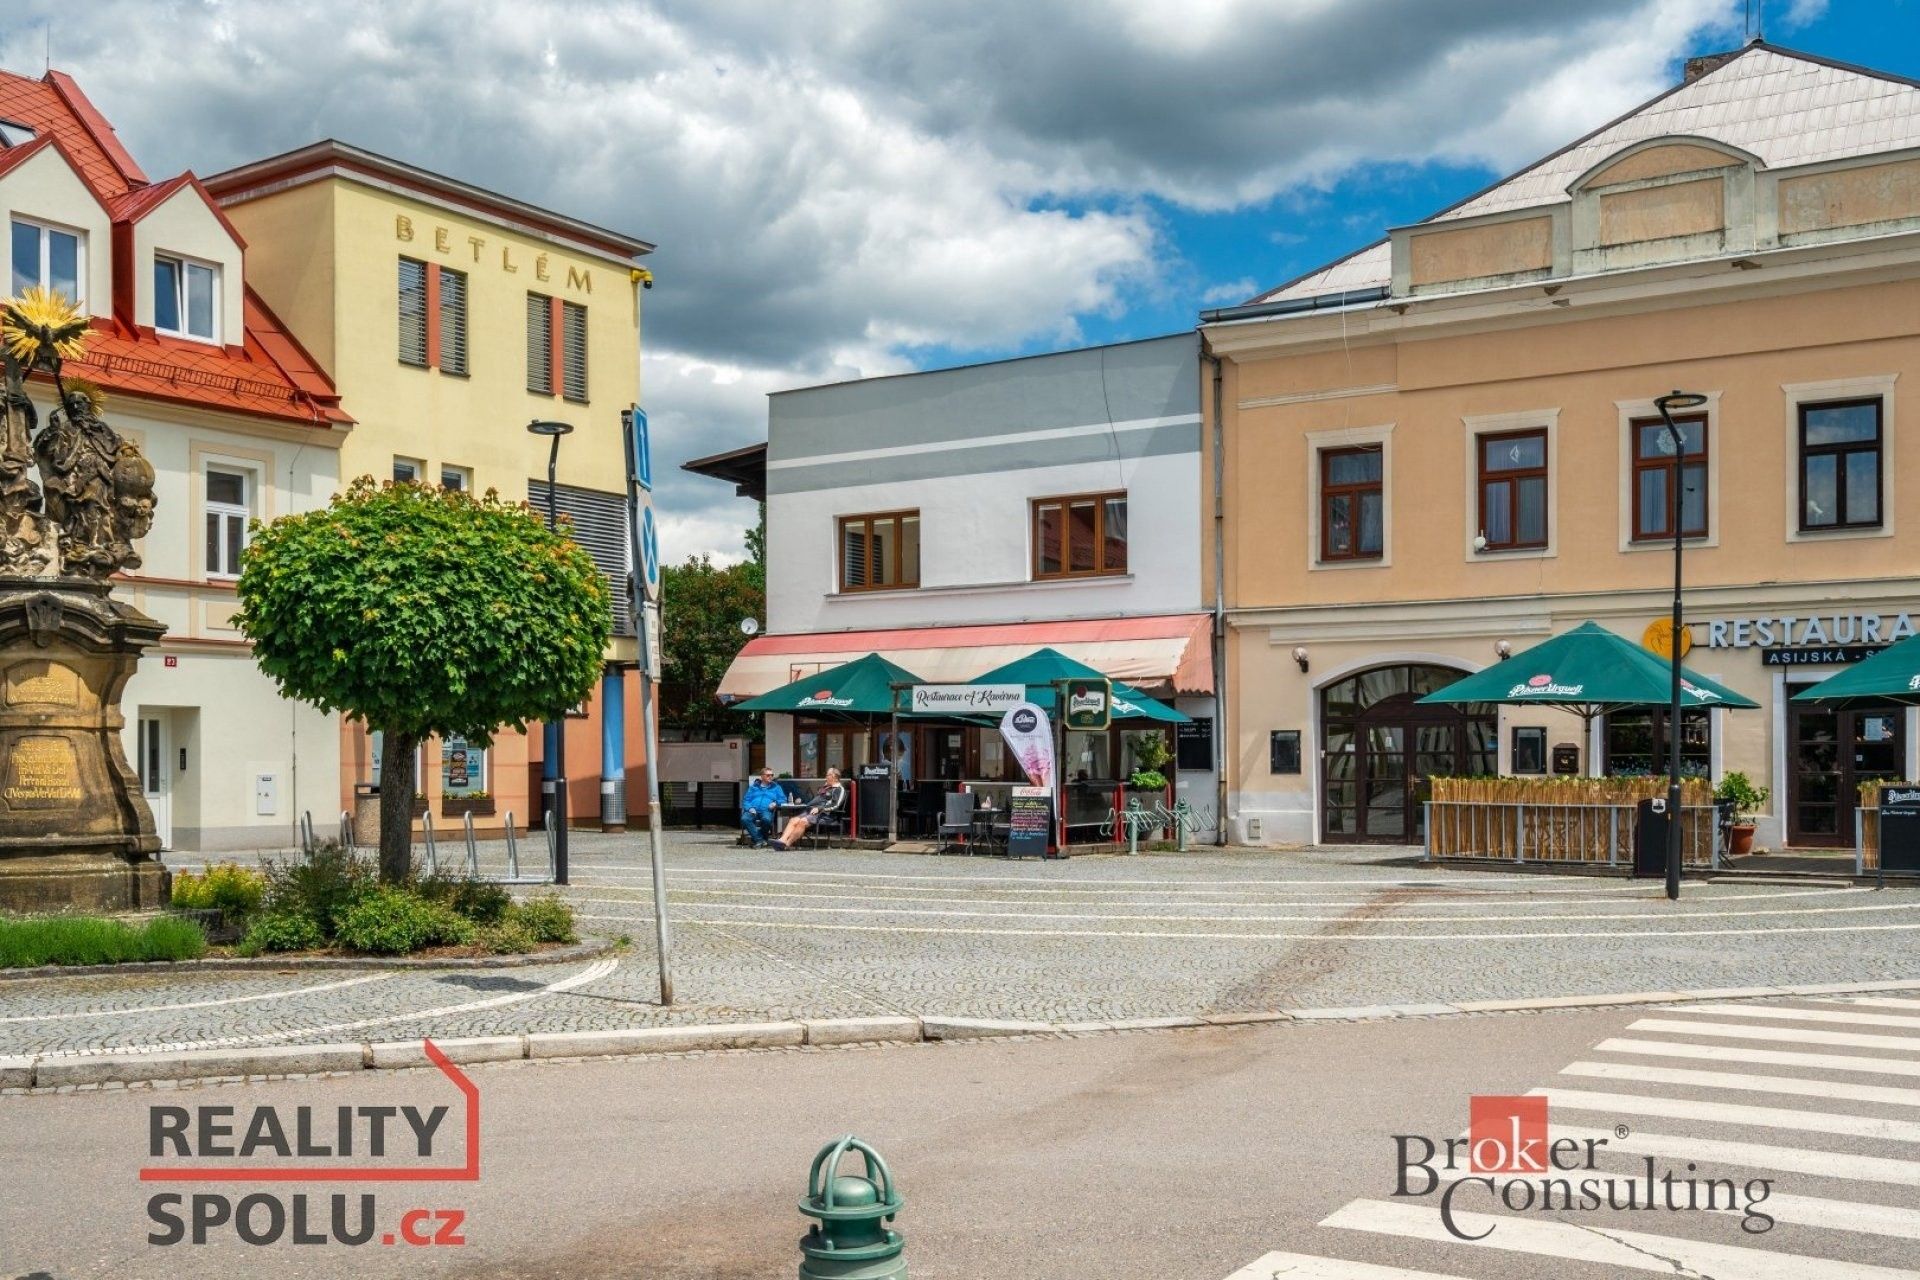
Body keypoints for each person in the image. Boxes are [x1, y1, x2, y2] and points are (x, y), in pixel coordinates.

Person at [771, 768, 845, 850]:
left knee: (803, 821)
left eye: (827, 775)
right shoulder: (827, 787)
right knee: (793, 820)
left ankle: (787, 845)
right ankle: (782, 840)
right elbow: (818, 799)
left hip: (826, 815)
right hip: (811, 810)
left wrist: (820, 809)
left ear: (833, 776)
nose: (825, 777)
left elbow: (836, 805)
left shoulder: (839, 789)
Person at [740, 768, 786, 849]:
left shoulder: (776, 787)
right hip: (752, 810)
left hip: (766, 810)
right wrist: (750, 808)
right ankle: (760, 840)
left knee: (766, 820)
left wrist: (775, 803)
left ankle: (758, 840)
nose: (770, 777)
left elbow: (783, 799)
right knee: (745, 819)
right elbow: (746, 800)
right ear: (762, 776)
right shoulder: (753, 787)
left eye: (772, 775)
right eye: (768, 775)